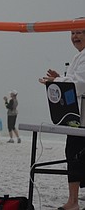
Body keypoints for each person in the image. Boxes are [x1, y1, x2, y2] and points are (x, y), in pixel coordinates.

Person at [39, 27, 85, 210]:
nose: (75, 37)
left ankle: (74, 201)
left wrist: (58, 81)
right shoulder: (78, 56)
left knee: (77, 155)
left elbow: (79, 84)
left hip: (82, 119)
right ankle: (73, 201)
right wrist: (59, 79)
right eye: (72, 33)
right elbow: (74, 80)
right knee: (72, 154)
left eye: (79, 32)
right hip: (76, 117)